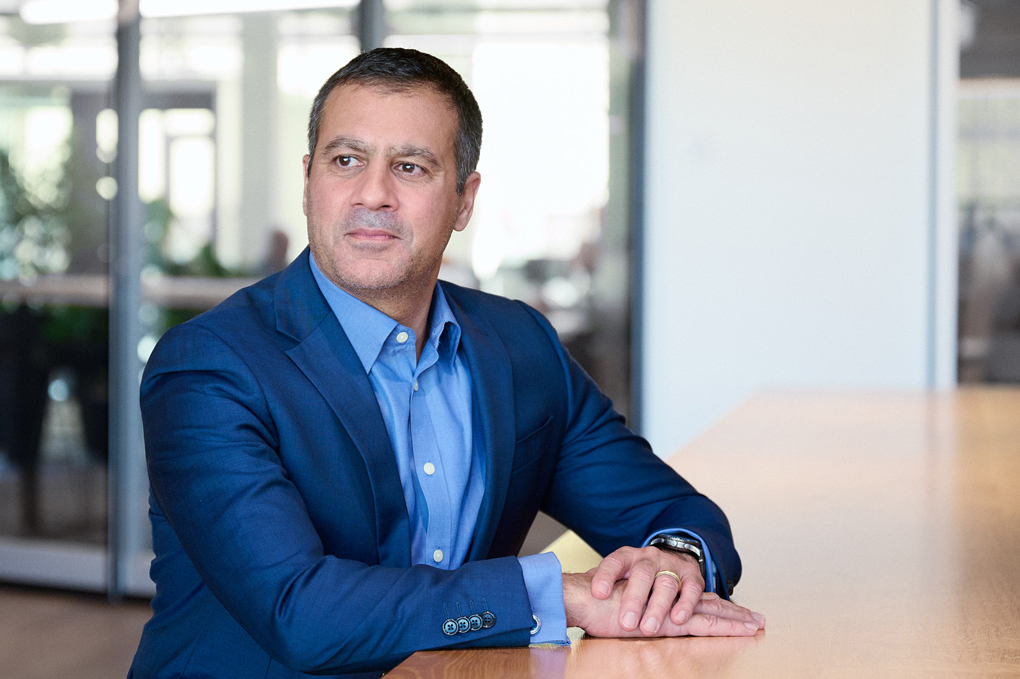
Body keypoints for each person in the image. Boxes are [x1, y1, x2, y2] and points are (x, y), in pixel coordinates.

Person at [128, 48, 764, 679]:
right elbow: (300, 613)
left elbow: (675, 515)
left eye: (410, 167)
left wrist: (673, 563)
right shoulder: (209, 367)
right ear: (308, 181)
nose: (372, 193)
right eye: (346, 160)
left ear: (464, 200)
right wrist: (555, 595)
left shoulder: (519, 345)